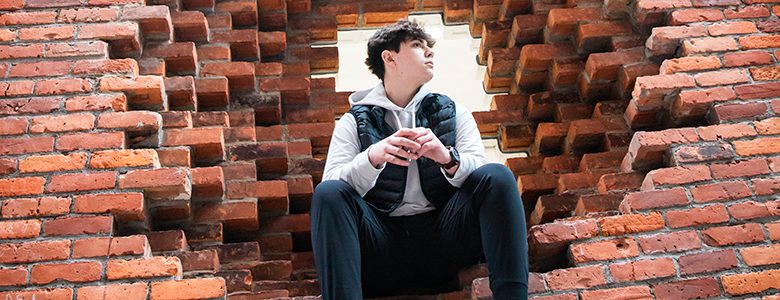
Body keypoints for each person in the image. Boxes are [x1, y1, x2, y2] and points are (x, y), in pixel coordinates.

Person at [310, 19, 529, 299]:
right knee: (329, 193)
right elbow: (330, 189)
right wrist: (372, 157)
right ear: (389, 58)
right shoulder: (354, 122)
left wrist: (447, 157)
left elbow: (482, 172)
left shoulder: (453, 111)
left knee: (498, 175)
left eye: (429, 47)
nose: (429, 52)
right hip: (379, 247)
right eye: (417, 45)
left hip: (446, 239)